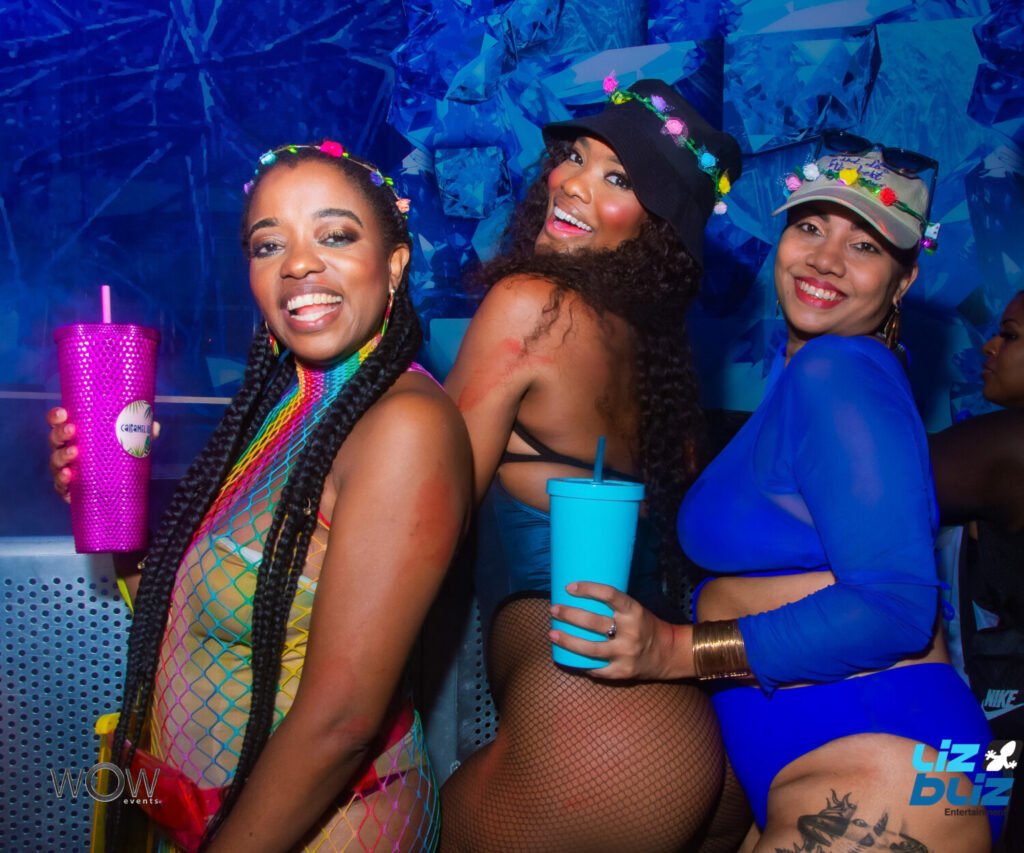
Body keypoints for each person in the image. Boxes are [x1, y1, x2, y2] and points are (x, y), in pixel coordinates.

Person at [551, 133, 1003, 850]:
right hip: (837, 768)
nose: (825, 259)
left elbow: (895, 607)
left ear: (903, 281)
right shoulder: (809, 380)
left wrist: (676, 649)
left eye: (865, 246)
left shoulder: (840, 372)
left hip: (883, 767)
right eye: (810, 227)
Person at [47, 141, 472, 851]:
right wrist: (105, 504)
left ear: (396, 263)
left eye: (335, 235)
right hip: (208, 816)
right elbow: (191, 615)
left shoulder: (404, 426)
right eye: (269, 244)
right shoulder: (282, 409)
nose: (298, 264)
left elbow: (343, 721)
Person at [440, 78, 750, 851]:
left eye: (618, 178)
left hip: (597, 742)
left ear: (657, 230)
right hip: (700, 737)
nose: (573, 183)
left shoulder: (531, 305)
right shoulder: (650, 356)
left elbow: (426, 521)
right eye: (575, 156)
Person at [931, 290, 1024, 852]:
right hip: (1002, 713)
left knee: (955, 822)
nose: (990, 347)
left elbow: (871, 485)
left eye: (1010, 336)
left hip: (1005, 725)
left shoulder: (1012, 444)